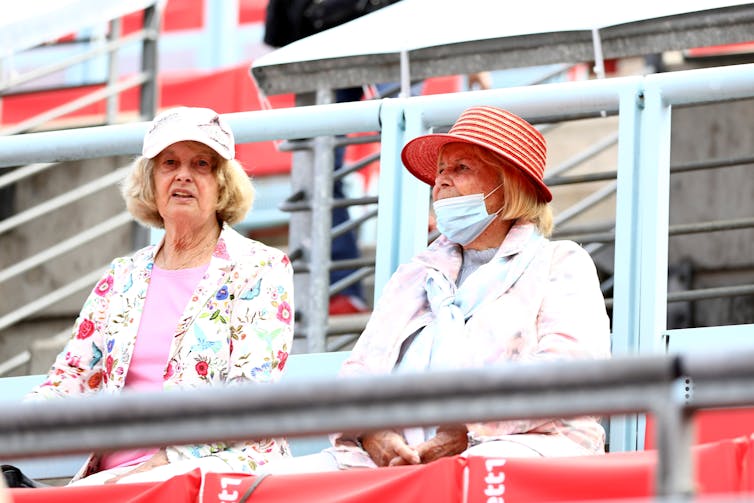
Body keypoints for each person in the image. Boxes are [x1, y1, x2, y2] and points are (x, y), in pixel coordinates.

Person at [263, 105, 611, 474]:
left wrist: (470, 427)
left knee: (468, 472)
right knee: (273, 482)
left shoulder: (559, 262)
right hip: (393, 460)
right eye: (441, 170)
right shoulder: (416, 275)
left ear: (510, 186)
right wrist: (373, 434)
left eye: (462, 168)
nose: (441, 181)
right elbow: (358, 374)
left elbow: (571, 374)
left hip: (522, 447)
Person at [25, 107, 295, 484]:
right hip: (116, 476)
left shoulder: (260, 267)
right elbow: (71, 377)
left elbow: (252, 392)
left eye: (201, 164)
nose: (183, 174)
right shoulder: (123, 276)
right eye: (170, 162)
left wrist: (171, 458)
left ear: (223, 184)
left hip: (217, 469)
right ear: (151, 181)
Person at [264, 0, 405, 315]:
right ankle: (344, 287)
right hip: (323, 36)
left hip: (387, 26)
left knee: (408, 150)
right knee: (321, 169)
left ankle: (413, 269)